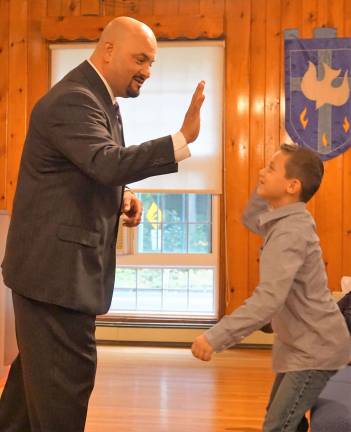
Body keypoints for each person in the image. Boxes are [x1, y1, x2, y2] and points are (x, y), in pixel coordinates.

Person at [0, 16, 205, 432]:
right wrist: (181, 139)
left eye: (152, 63)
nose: (148, 71)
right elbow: (105, 162)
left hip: (50, 276)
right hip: (56, 281)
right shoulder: (74, 99)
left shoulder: (98, 98)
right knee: (62, 395)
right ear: (108, 50)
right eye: (141, 59)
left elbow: (89, 168)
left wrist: (123, 197)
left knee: (29, 399)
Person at [191, 143, 351, 432]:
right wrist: (269, 177)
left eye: (271, 168)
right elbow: (251, 216)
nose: (262, 172)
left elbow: (267, 301)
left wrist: (215, 337)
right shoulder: (284, 220)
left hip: (316, 349)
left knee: (278, 425)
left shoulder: (290, 232)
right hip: (302, 346)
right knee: (284, 419)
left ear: (292, 186)